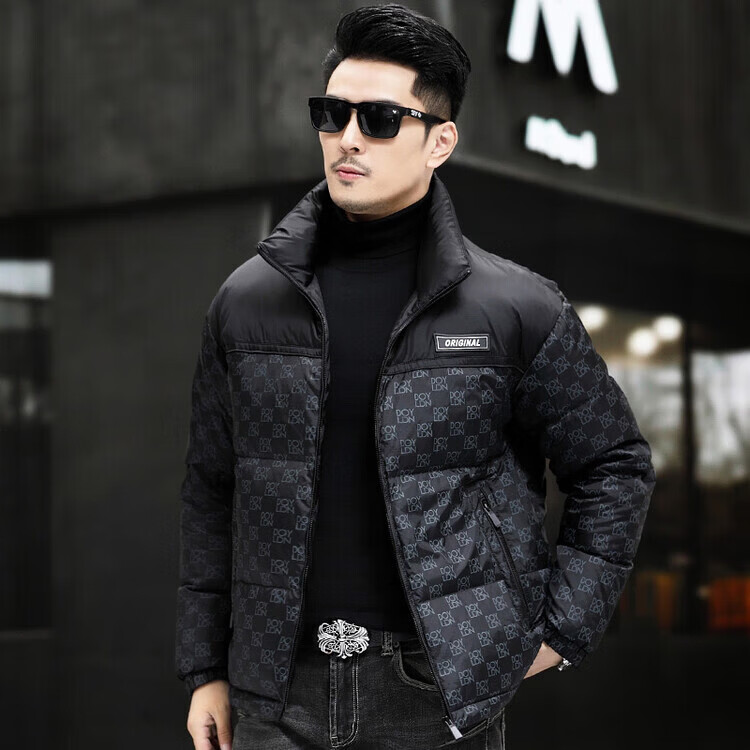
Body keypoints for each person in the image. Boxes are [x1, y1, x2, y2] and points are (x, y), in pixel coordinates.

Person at [175, 5, 656, 749]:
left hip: (433, 695)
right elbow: (212, 489)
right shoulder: (247, 301)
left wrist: (562, 630)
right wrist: (206, 668)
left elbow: (614, 464)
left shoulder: (516, 307)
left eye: (379, 119)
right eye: (332, 114)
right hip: (275, 692)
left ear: (440, 141)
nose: (348, 138)